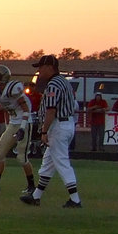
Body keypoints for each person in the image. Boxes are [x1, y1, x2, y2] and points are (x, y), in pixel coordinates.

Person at [22, 55, 83, 208]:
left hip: (58, 126)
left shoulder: (53, 84)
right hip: (66, 124)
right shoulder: (64, 82)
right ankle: (36, 196)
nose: (39, 70)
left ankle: (75, 199)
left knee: (62, 162)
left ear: (50, 67)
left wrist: (43, 132)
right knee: (48, 162)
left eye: (41, 67)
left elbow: (51, 110)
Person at [0, 65, 35, 194]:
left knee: (21, 157)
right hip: (13, 123)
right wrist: (7, 125)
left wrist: (21, 128)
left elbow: (26, 110)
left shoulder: (13, 88)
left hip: (24, 122)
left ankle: (32, 186)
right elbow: (6, 108)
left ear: (4, 77)